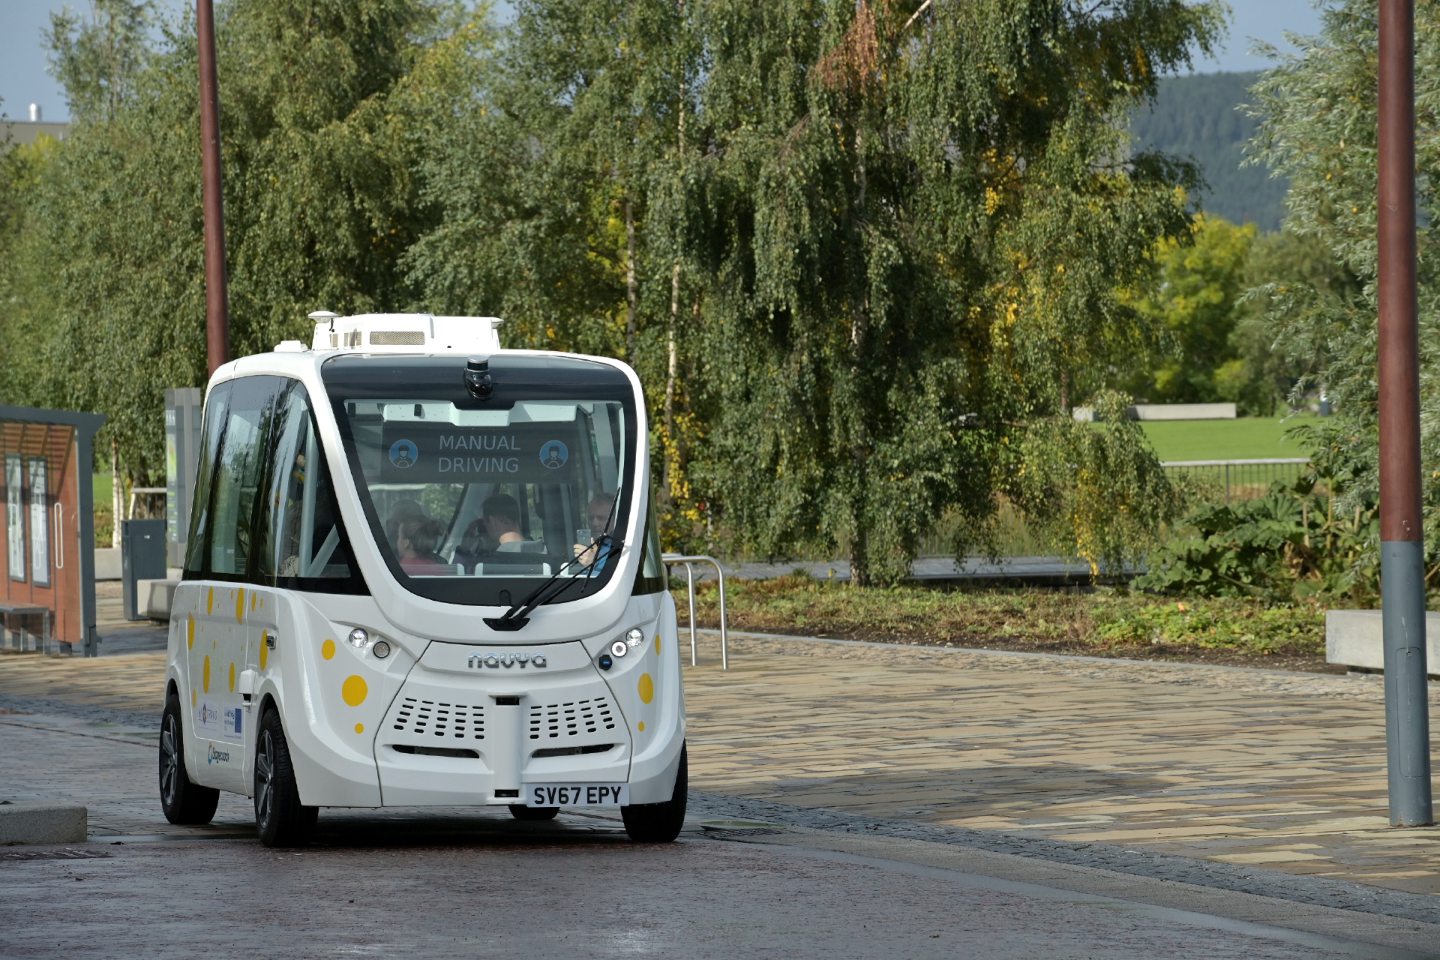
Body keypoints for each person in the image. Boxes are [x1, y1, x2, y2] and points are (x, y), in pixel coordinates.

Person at [573, 493, 615, 570]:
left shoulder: (620, 547)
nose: (595, 523)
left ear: (614, 519)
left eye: (601, 518)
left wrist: (596, 564)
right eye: (591, 518)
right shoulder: (584, 544)